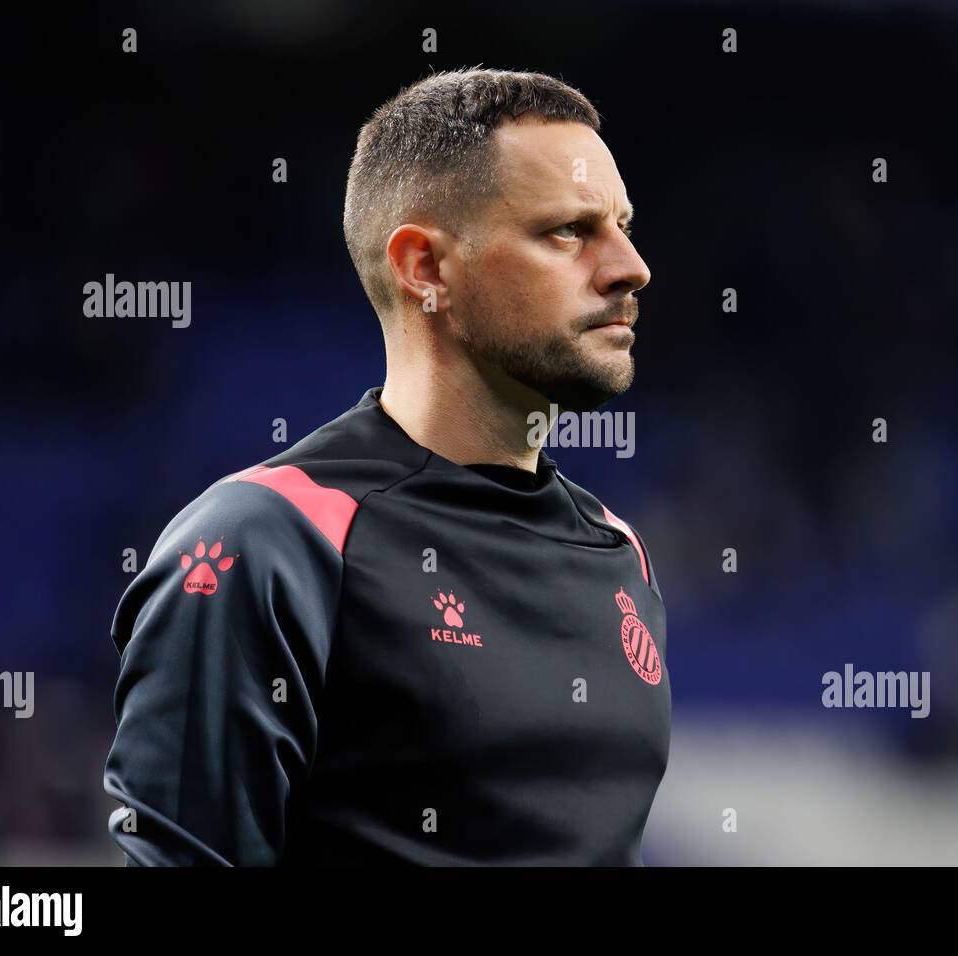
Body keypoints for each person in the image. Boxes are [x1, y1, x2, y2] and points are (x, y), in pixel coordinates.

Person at [103, 67, 668, 865]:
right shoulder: (269, 544)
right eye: (569, 231)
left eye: (623, 224)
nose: (630, 266)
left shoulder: (622, 556)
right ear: (426, 269)